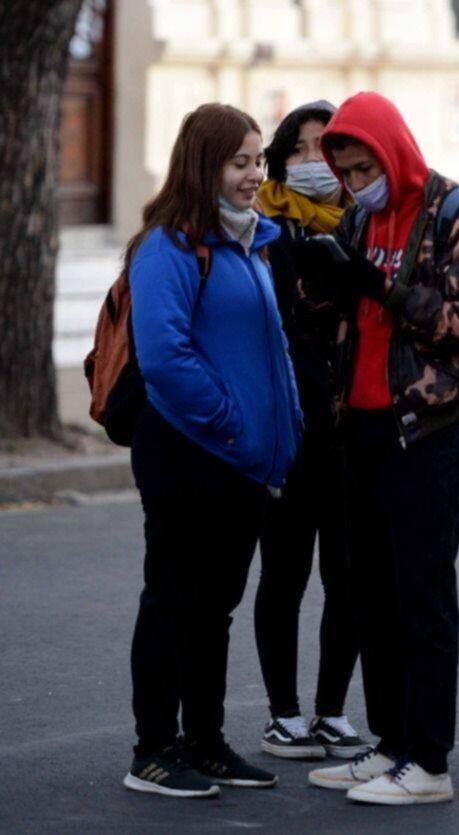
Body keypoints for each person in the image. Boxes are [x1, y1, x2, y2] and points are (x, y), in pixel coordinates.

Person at [297, 91, 459, 806]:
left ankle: (430, 760)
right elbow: (339, 312)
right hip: (363, 429)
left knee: (422, 597)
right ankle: (389, 745)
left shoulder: (454, 213)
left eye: (362, 167)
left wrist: (379, 284)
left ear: (392, 152)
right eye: (344, 172)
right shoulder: (360, 216)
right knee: (368, 597)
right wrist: (318, 274)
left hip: (425, 430)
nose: (354, 183)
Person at [122, 103, 303, 798]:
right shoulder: (168, 246)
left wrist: (281, 425)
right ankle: (153, 750)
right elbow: (165, 356)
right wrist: (231, 423)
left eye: (258, 160)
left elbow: (269, 347)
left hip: (241, 461)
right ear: (204, 165)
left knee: (214, 608)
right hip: (188, 451)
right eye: (240, 162)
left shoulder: (251, 242)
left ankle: (204, 740)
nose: (255, 174)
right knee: (172, 598)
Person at [252, 100, 369, 761]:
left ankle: (330, 709)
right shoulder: (263, 228)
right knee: (285, 572)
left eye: (323, 148)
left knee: (346, 576)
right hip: (286, 427)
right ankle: (283, 712)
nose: (310, 161)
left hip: (349, 425)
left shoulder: (361, 225)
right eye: (298, 148)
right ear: (280, 158)